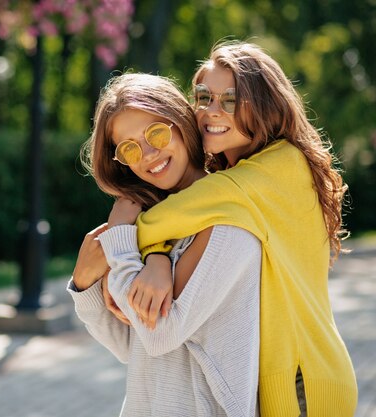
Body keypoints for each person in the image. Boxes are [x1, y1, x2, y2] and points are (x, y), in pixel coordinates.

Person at [123, 40, 358, 416]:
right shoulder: (237, 177)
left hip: (302, 385)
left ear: (264, 104)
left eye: (230, 100)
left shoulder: (276, 167)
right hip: (290, 380)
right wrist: (157, 257)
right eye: (203, 97)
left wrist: (142, 245)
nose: (210, 111)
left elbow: (155, 220)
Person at [68, 73, 261, 417]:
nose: (147, 154)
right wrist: (84, 285)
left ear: (182, 122)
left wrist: (124, 245)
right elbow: (131, 345)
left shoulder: (228, 220)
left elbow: (159, 336)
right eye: (128, 148)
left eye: (156, 133)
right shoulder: (148, 228)